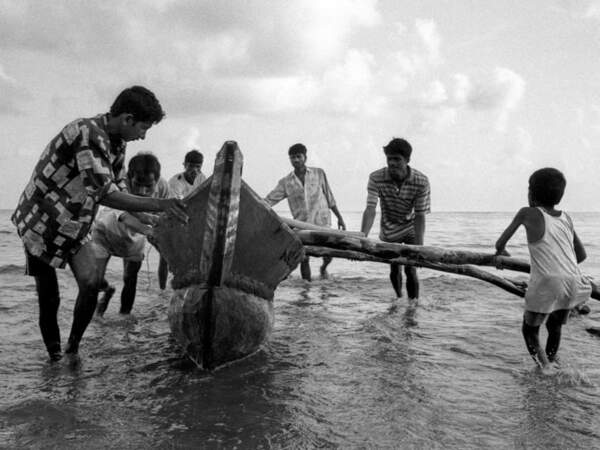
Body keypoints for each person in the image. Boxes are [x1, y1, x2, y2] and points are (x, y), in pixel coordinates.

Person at [11, 86, 187, 362]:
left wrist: (149, 219)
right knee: (50, 298)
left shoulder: (118, 142)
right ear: (127, 119)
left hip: (74, 225)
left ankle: (73, 351)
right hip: (41, 222)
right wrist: (160, 205)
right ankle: (55, 357)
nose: (142, 136)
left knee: (91, 283)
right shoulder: (88, 133)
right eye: (143, 128)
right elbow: (105, 193)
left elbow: (117, 184)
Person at [495, 168, 591, 369]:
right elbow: (581, 255)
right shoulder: (566, 218)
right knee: (555, 326)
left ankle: (545, 369)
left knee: (530, 331)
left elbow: (500, 242)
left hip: (547, 281)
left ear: (531, 193)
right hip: (573, 280)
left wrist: (501, 252)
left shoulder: (526, 212)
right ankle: (551, 361)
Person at [93, 152, 170, 316]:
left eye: (149, 186)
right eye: (137, 184)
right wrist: (149, 230)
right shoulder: (119, 186)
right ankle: (106, 292)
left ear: (157, 180)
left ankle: (124, 317)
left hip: (134, 237)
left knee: (130, 279)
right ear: (129, 179)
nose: (142, 191)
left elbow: (167, 216)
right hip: (106, 230)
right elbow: (124, 215)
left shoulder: (163, 187)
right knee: (94, 281)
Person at [361, 138, 430, 299]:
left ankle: (413, 306)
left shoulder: (421, 181)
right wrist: (362, 237)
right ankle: (398, 298)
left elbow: (420, 215)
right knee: (394, 265)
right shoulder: (376, 177)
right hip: (389, 226)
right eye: (389, 159)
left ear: (407, 160)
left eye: (397, 159)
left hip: (411, 226)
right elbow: (371, 208)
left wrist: (419, 248)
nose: (392, 163)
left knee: (410, 268)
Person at [265, 143, 346, 281]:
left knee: (328, 252)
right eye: (292, 157)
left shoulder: (318, 173)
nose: (295, 160)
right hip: (302, 224)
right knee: (304, 258)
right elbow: (270, 200)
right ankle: (306, 289)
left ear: (305, 157)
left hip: (322, 220)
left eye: (298, 156)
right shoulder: (286, 182)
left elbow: (329, 196)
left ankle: (323, 268)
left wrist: (339, 217)